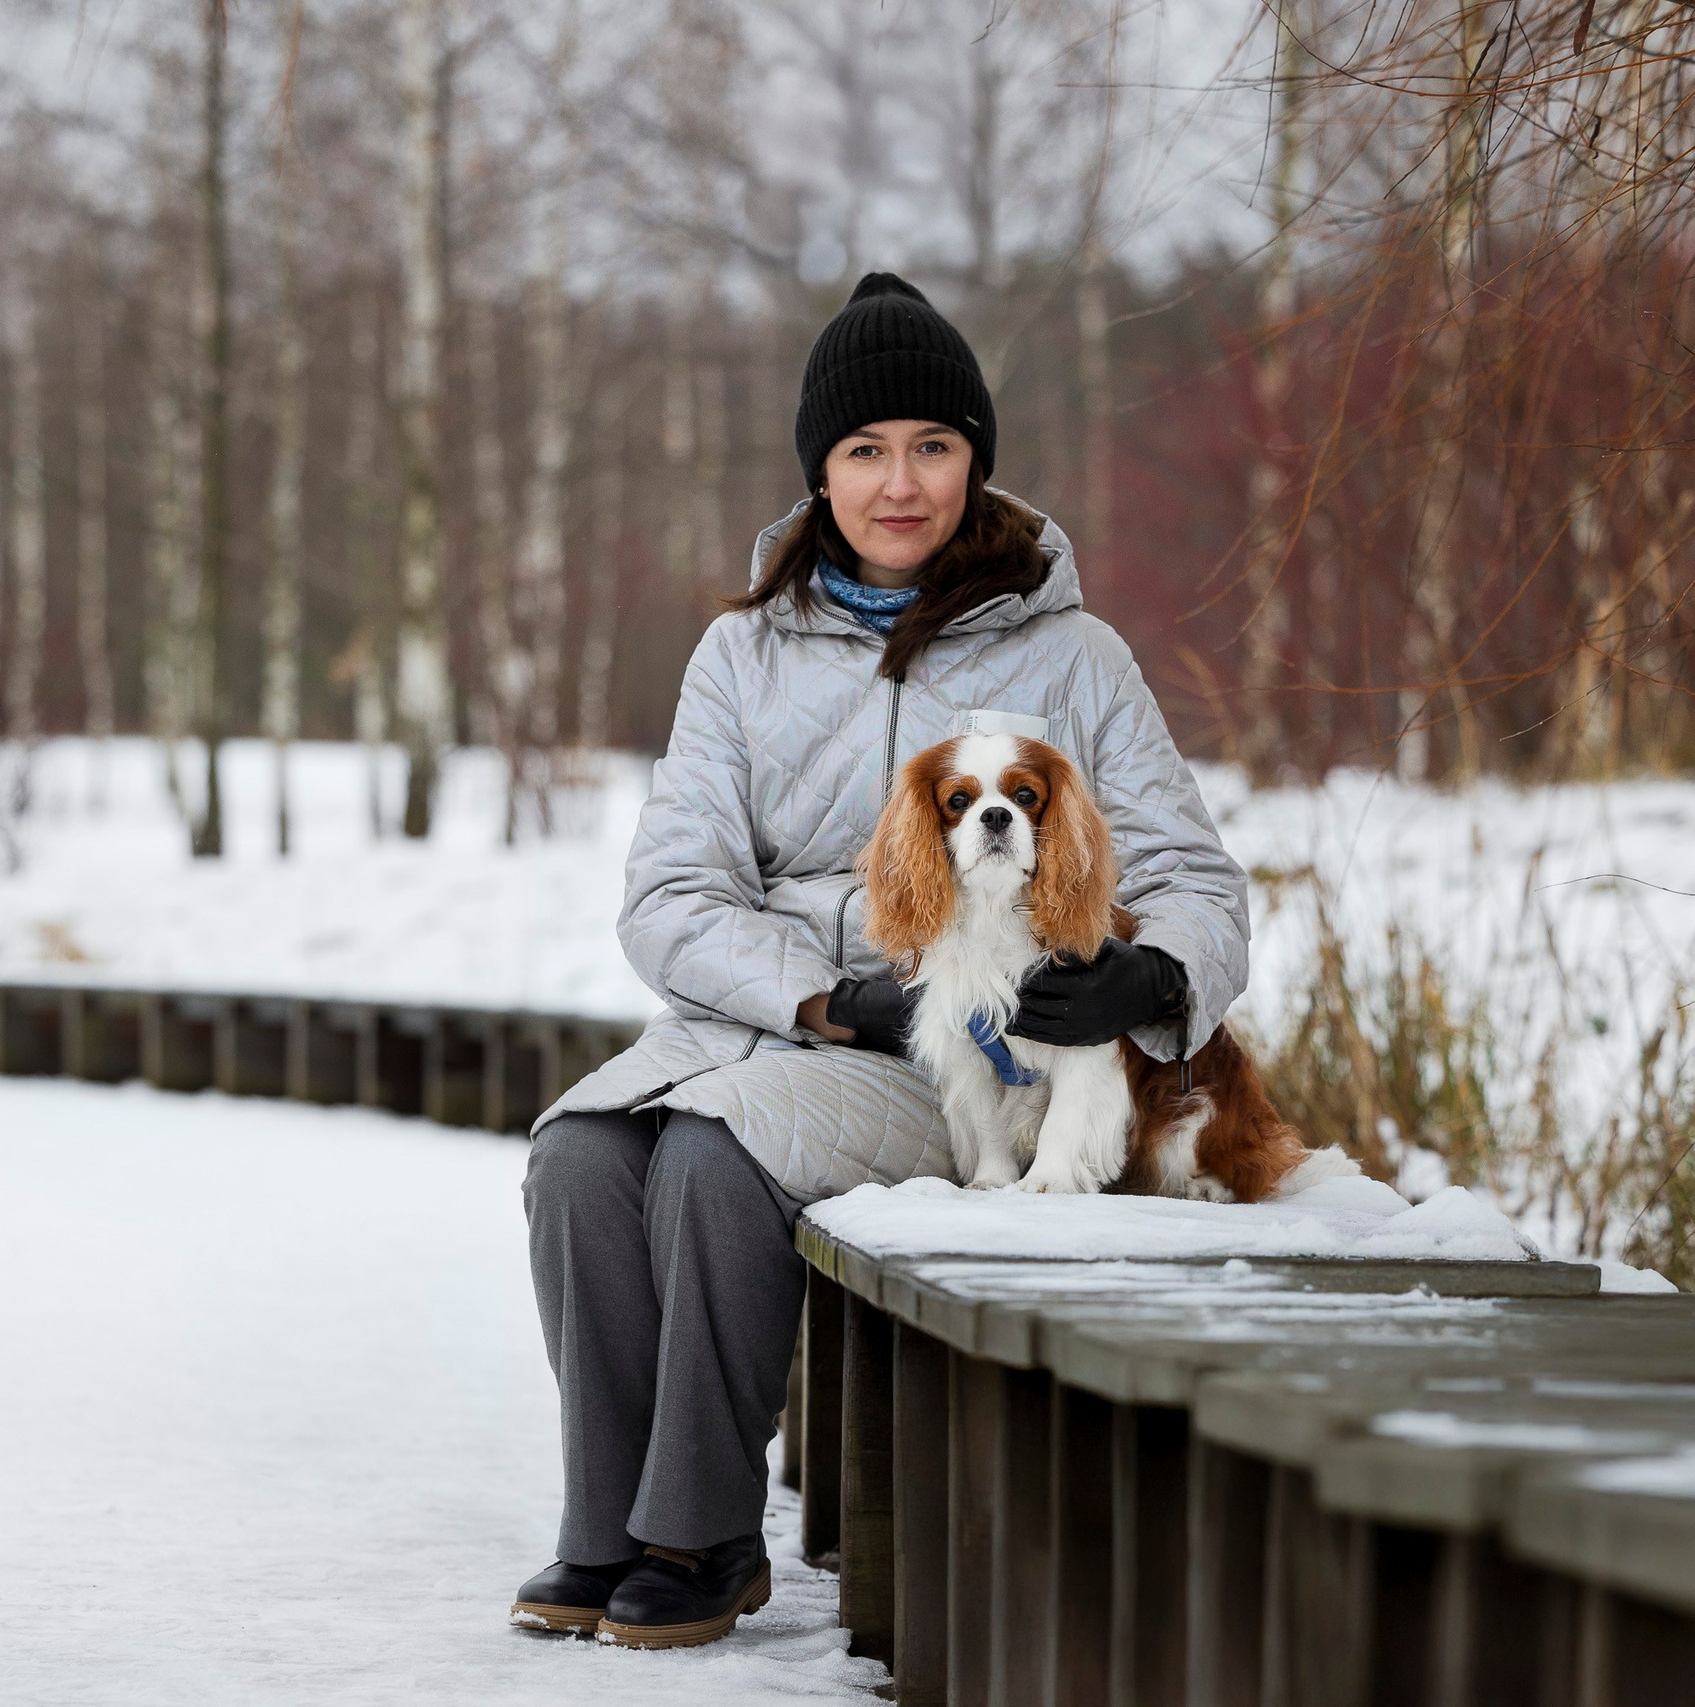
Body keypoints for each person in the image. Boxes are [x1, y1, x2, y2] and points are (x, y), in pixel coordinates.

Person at [511, 273, 1249, 1649]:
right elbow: (669, 895)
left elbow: (1196, 882)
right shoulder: (741, 653)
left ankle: (700, 1533)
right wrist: (808, 994)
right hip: (765, 1023)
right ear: (821, 471)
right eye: (863, 450)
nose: (898, 483)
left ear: (975, 461)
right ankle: (605, 1525)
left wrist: (1156, 980)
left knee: (710, 1158)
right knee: (580, 1157)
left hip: (957, 1051)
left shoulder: (1074, 655)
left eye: (931, 446)